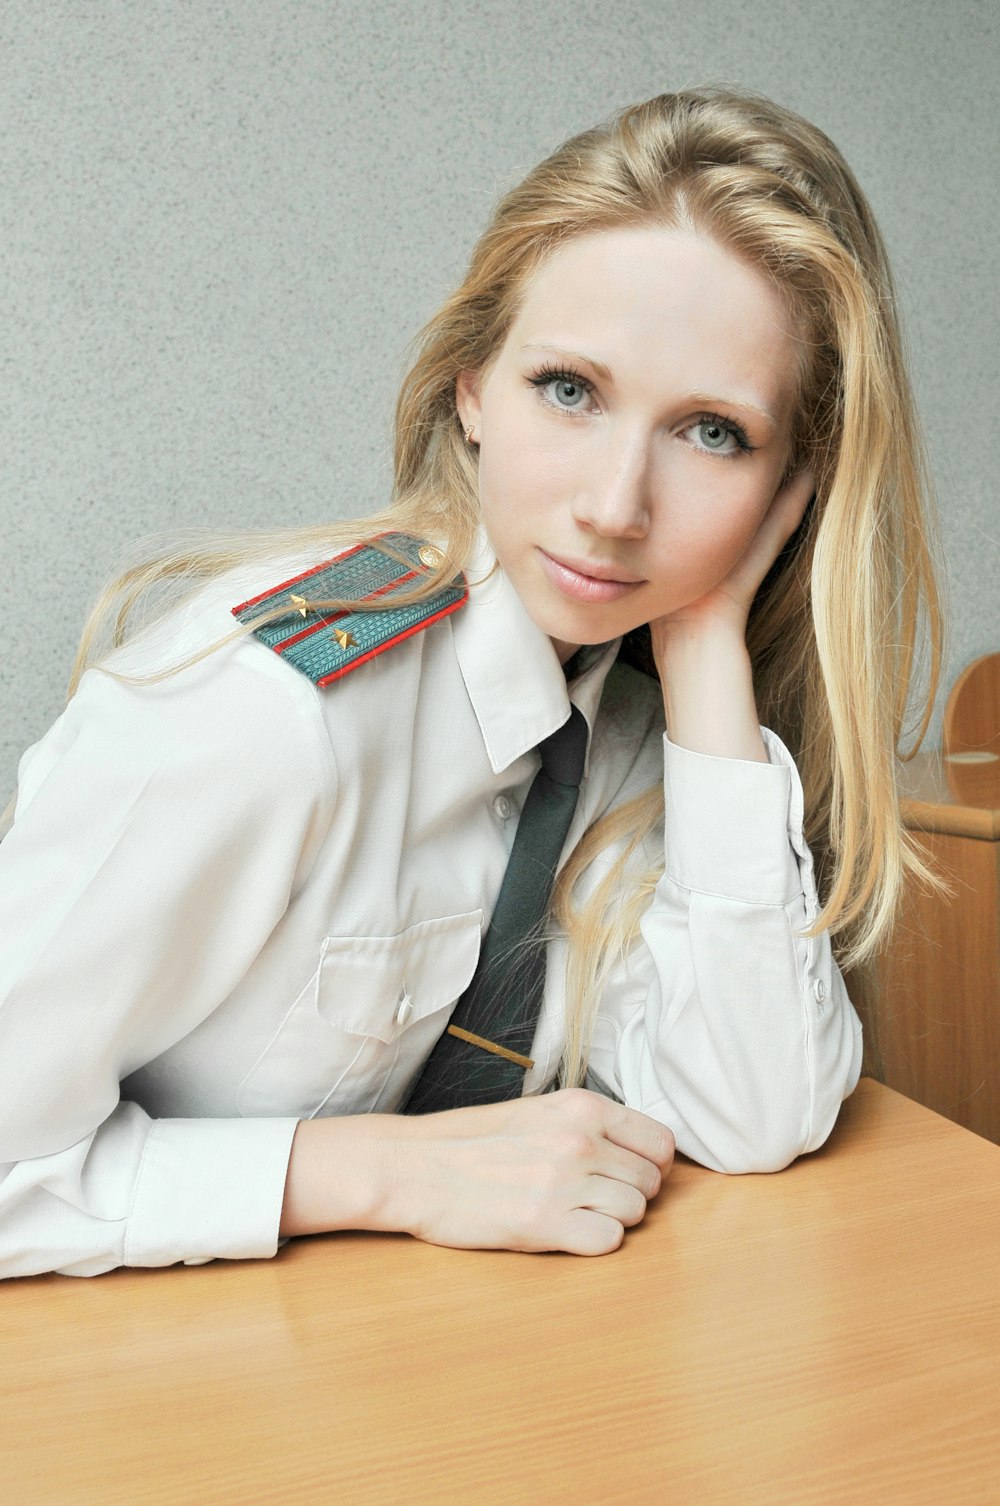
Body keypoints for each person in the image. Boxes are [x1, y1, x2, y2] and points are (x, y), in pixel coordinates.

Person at [0, 86, 940, 1279]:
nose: (613, 509)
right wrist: (378, 1173)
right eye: (569, 390)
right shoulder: (270, 716)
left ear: (788, 490)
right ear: (470, 390)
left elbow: (751, 1114)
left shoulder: (629, 724)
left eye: (712, 435)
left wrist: (709, 646)